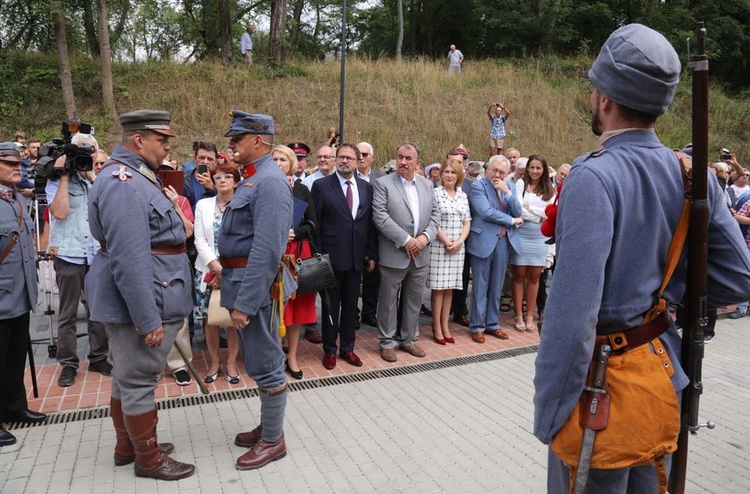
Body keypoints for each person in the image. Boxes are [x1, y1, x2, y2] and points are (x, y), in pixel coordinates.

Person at [533, 24, 750, 493]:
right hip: (660, 379)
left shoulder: (594, 177)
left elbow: (572, 322)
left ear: (605, 97)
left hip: (598, 396)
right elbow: (737, 279)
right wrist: (663, 287)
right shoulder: (691, 173)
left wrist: (549, 414)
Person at [86, 110, 195, 479]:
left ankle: (127, 446)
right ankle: (147, 460)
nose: (167, 146)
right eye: (162, 140)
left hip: (154, 291)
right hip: (147, 297)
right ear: (139, 140)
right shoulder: (123, 181)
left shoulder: (137, 176)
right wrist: (146, 318)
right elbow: (130, 259)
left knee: (127, 377)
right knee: (138, 380)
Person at [219, 111, 293, 470]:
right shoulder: (254, 179)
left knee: (266, 365)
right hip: (239, 282)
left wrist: (246, 303)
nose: (231, 145)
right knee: (259, 361)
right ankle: (269, 425)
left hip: (253, 290)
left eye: (237, 139)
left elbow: (266, 250)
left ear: (258, 140)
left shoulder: (270, 182)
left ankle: (272, 440)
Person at [46, 133, 112, 387]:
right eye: (83, 152)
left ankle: (98, 358)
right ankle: (68, 363)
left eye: (91, 151)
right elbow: (60, 211)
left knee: (98, 310)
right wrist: (65, 175)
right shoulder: (56, 179)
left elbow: (106, 208)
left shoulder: (97, 180)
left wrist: (91, 176)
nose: (88, 156)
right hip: (68, 254)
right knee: (68, 314)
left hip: (95, 254)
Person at [312, 143, 378, 369]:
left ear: (358, 161)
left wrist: (371, 253)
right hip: (330, 258)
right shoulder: (322, 186)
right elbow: (315, 224)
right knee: (331, 307)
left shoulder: (366, 187)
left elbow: (369, 223)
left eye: (350, 158)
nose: (344, 161)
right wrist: (319, 256)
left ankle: (348, 348)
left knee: (351, 307)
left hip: (356, 257)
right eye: (341, 157)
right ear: (335, 159)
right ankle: (330, 349)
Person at [372, 143, 439, 362]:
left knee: (414, 300)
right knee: (388, 300)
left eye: (408, 158)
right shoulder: (383, 184)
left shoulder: (427, 185)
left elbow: (436, 216)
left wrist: (424, 238)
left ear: (417, 163)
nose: (403, 162)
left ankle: (409, 339)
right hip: (394, 253)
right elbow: (380, 216)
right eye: (400, 157)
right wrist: (407, 240)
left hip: (421, 254)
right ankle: (387, 342)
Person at [0, 142, 47, 447]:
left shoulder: (16, 200)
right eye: (9, 163)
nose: (18, 167)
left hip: (19, 294)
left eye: (19, 163)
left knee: (15, 356)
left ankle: (13, 407)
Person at [272, 145, 318, 380]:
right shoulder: (265, 187)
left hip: (297, 252)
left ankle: (292, 356)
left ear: (291, 163)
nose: (279, 162)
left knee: (296, 307)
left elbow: (312, 223)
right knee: (275, 305)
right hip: (273, 253)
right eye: (275, 159)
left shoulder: (301, 189)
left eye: (283, 159)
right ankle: (276, 355)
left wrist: (295, 232)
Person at [193, 164, 242, 384]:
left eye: (228, 176)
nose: (222, 180)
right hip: (208, 270)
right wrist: (216, 267)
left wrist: (228, 270)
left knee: (233, 319)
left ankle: (231, 362)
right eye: (218, 177)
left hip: (235, 270)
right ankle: (214, 362)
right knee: (210, 319)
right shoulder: (203, 205)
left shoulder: (242, 205)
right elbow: (199, 240)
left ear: (236, 182)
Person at [466, 155, 523, 343]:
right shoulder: (478, 186)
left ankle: (492, 324)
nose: (497, 175)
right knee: (480, 286)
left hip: (503, 241)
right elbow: (485, 212)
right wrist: (512, 221)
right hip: (483, 240)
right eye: (494, 170)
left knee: (497, 285)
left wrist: (507, 192)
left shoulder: (510, 187)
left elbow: (518, 211)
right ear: (487, 169)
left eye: (502, 172)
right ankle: (477, 326)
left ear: (507, 174)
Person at [510, 154, 556, 332]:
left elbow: (550, 212)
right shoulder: (521, 185)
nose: (535, 171)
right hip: (522, 233)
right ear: (527, 169)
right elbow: (517, 209)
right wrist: (538, 213)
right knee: (519, 274)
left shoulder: (550, 189)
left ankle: (530, 315)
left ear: (544, 170)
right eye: (532, 167)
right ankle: (518, 315)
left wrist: (532, 211)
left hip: (540, 236)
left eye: (539, 168)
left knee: (536, 276)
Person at [427, 159, 470, 344]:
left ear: (459, 175)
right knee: (438, 288)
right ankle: (436, 326)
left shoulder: (462, 195)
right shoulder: (435, 194)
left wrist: (459, 241)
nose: (450, 175)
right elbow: (432, 221)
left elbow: (467, 222)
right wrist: (447, 242)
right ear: (441, 174)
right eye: (446, 172)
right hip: (440, 246)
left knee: (450, 287)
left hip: (458, 247)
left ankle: (445, 325)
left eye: (453, 172)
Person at [356, 142, 384, 328]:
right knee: (353, 276)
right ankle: (352, 313)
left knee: (373, 276)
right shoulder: (348, 176)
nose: (361, 157)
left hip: (376, 232)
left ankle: (369, 312)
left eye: (365, 154)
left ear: (372, 158)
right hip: (355, 232)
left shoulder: (381, 179)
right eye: (358, 154)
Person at [182, 141, 219, 211]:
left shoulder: (223, 180)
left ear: (216, 162)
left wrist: (211, 189)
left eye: (210, 159)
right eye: (202, 158)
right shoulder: (183, 180)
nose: (205, 162)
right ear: (195, 159)